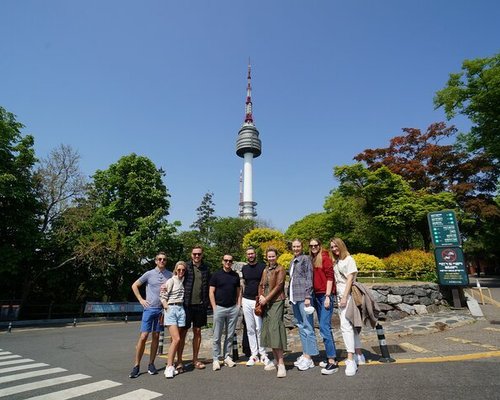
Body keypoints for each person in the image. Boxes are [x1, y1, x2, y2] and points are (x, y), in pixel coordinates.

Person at [129, 252, 172, 378]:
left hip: (161, 310)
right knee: (143, 336)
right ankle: (136, 366)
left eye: (164, 259)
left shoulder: (170, 275)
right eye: (159, 259)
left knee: (156, 336)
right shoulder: (149, 274)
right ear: (155, 261)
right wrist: (141, 300)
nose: (162, 261)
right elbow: (135, 285)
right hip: (149, 309)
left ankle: (151, 364)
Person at [330, 237, 365, 376]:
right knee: (351, 325)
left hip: (347, 295)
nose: (334, 249)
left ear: (341, 245)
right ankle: (359, 354)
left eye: (336, 246)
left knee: (345, 326)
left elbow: (350, 278)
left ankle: (350, 360)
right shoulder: (337, 261)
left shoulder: (348, 259)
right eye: (332, 247)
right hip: (341, 295)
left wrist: (344, 297)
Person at [177, 246, 211, 371]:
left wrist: (208, 303)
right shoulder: (185, 266)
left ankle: (195, 359)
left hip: (200, 305)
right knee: (182, 333)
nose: (197, 256)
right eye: (195, 254)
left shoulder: (206, 268)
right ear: (191, 255)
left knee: (197, 332)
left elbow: (208, 286)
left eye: (199, 254)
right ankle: (179, 361)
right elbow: (176, 278)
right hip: (186, 305)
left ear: (202, 255)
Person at [309, 238, 339, 375]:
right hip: (316, 296)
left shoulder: (325, 257)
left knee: (324, 327)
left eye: (316, 245)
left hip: (324, 296)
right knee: (325, 327)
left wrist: (328, 296)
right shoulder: (313, 258)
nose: (314, 247)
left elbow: (330, 277)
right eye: (311, 245)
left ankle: (332, 361)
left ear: (320, 246)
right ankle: (330, 356)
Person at [289, 239, 319, 371]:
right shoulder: (293, 260)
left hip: (304, 297)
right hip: (295, 297)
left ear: (302, 247)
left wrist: (308, 295)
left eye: (298, 246)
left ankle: (309, 356)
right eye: (294, 246)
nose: (296, 248)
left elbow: (309, 277)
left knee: (308, 326)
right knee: (301, 326)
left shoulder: (305, 259)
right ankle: (305, 353)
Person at [259, 247, 287, 378]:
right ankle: (276, 360)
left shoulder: (280, 269)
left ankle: (281, 364)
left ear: (276, 256)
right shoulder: (265, 270)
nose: (271, 258)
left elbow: (279, 286)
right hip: (266, 302)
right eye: (269, 256)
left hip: (276, 302)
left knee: (275, 329)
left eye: (273, 256)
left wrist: (266, 299)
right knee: (269, 330)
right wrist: (260, 297)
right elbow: (261, 285)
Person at [209, 254, 241, 371]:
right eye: (226, 260)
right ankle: (216, 359)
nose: (228, 262)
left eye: (230, 261)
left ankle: (227, 356)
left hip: (232, 308)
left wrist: (238, 305)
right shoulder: (216, 275)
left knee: (230, 335)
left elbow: (238, 291)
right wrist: (214, 307)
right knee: (217, 336)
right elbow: (211, 292)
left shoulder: (235, 276)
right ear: (222, 261)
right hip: (219, 308)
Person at [241, 246, 271, 366]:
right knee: (250, 329)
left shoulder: (262, 267)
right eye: (248, 254)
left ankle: (263, 353)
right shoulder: (244, 268)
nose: (250, 256)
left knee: (259, 328)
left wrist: (263, 298)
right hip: (246, 300)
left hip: (258, 300)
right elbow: (243, 284)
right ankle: (254, 355)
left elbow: (265, 283)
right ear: (246, 255)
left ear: (255, 255)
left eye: (252, 253)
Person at [160, 261, 187, 379]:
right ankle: (169, 367)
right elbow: (162, 295)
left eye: (183, 270)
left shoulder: (183, 280)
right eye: (179, 269)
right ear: (175, 269)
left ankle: (175, 363)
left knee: (176, 340)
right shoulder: (171, 281)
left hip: (181, 309)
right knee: (176, 339)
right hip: (172, 308)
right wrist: (166, 307)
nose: (181, 272)